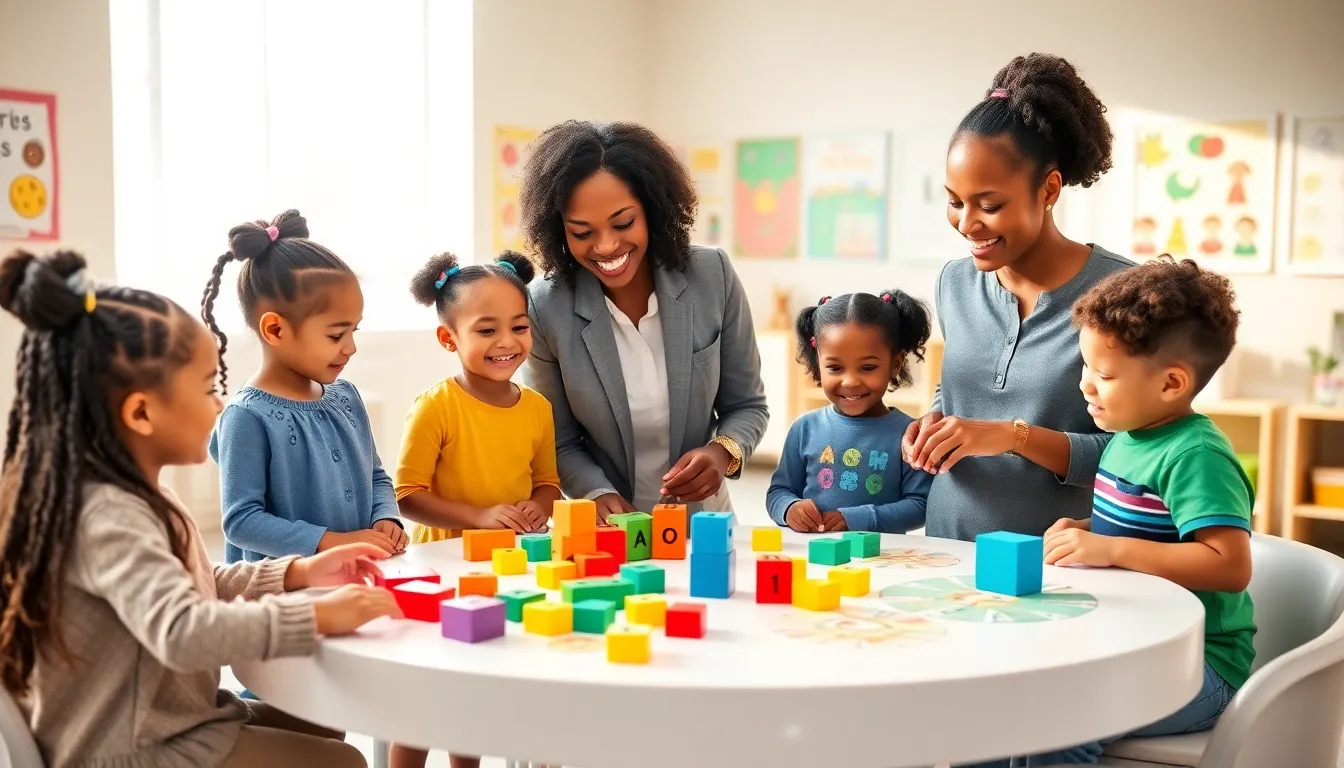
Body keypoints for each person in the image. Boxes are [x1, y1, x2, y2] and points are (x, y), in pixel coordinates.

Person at [0, 249, 402, 768]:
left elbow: (194, 581)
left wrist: (298, 570)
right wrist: (313, 612)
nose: (220, 404)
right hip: (135, 750)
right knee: (343, 763)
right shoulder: (109, 516)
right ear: (141, 412)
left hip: (175, 719)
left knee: (320, 723)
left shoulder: (137, 497)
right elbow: (182, 631)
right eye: (210, 387)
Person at [978, 256, 1255, 766]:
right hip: (1132, 639)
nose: (1085, 384)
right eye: (1085, 366)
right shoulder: (1128, 436)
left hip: (1196, 664)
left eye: (1102, 374)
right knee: (1001, 697)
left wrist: (1110, 549)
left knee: (1062, 721)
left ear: (1171, 383)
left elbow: (1230, 565)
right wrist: (1085, 530)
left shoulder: (1195, 455)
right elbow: (1148, 524)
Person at [902, 53, 1133, 541]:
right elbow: (958, 391)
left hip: (1063, 560)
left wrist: (1013, 435)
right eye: (954, 201)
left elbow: (1135, 457)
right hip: (947, 546)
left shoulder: (1123, 296)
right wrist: (935, 423)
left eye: (989, 205)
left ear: (1049, 189)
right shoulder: (954, 283)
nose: (966, 224)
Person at [520, 120, 768, 518]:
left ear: (653, 210)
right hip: (608, 531)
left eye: (623, 223)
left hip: (704, 521)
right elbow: (558, 440)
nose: (606, 246)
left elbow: (748, 405)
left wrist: (723, 453)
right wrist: (596, 492)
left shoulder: (712, 275)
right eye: (582, 232)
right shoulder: (545, 307)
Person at [390, 250, 561, 768]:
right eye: (486, 330)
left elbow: (549, 484)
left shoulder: (537, 409)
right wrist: (478, 518)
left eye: (519, 327)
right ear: (450, 339)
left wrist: (537, 508)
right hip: (444, 569)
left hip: (506, 569)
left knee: (475, 696)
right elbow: (407, 495)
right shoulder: (436, 406)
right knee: (426, 702)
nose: (507, 342)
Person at [202, 209, 408, 563]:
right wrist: (334, 542)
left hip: (352, 576)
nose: (350, 347)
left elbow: (375, 476)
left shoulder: (347, 397)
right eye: (335, 334)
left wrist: (385, 517)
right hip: (282, 597)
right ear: (276, 330)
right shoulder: (246, 417)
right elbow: (242, 521)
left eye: (353, 331)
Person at [767, 290, 934, 533]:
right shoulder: (804, 428)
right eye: (834, 367)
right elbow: (779, 492)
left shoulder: (909, 435)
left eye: (867, 367)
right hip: (815, 555)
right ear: (817, 364)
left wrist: (860, 518)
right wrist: (789, 508)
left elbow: (920, 505)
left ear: (895, 364)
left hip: (883, 560)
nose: (850, 381)